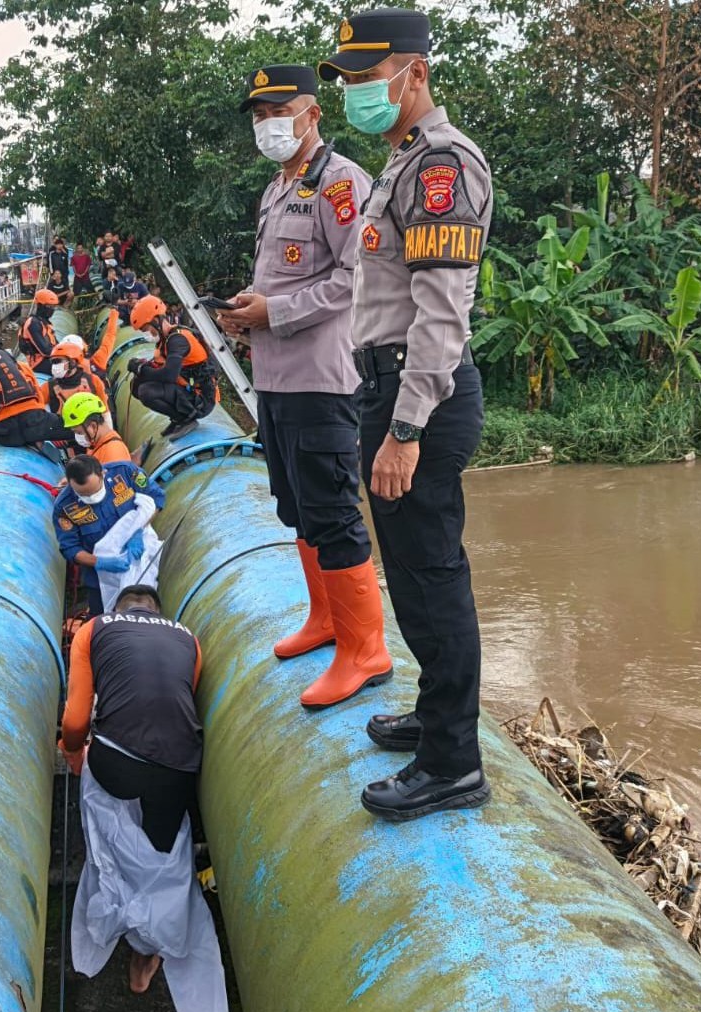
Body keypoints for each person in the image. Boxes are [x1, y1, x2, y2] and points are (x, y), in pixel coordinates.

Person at [319, 8, 492, 819]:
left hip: (418, 395)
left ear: (414, 73)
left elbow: (441, 313)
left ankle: (453, 763)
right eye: (347, 79)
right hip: (385, 387)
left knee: (431, 576)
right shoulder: (402, 163)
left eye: (366, 76)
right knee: (415, 573)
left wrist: (406, 428)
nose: (354, 91)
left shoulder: (440, 166)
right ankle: (434, 715)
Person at [217, 63, 390, 710]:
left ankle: (365, 649)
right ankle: (325, 620)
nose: (268, 125)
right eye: (259, 116)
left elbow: (357, 277)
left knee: (332, 511)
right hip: (276, 378)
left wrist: (277, 312)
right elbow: (283, 279)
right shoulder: (277, 187)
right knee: (297, 506)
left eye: (279, 112)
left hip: (321, 378)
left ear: (312, 113)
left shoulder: (341, 183)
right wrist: (247, 310)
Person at [61, 585, 229, 1011]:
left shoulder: (95, 629)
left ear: (119, 608)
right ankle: (144, 958)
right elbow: (177, 703)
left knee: (113, 848)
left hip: (116, 763)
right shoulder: (188, 638)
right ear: (158, 612)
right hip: (178, 768)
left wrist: (72, 752)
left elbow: (76, 718)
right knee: (162, 859)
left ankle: (113, 912)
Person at [52, 455, 165, 617]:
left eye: (94, 491)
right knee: (101, 618)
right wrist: (100, 562)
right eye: (83, 494)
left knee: (146, 610)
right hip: (99, 578)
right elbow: (70, 548)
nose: (91, 498)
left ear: (103, 474)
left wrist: (139, 530)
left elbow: (156, 498)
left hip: (139, 558)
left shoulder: (126, 473)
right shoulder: (64, 507)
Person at [126, 295, 219, 440]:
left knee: (146, 391)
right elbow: (160, 367)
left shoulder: (177, 340)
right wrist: (142, 366)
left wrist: (142, 370)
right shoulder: (165, 341)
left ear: (156, 320)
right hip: (188, 390)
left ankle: (185, 419)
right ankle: (177, 418)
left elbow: (169, 375)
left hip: (202, 399)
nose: (146, 334)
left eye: (146, 329)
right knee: (136, 385)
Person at [0, 334, 73, 448]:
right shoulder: (22, 366)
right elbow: (39, 397)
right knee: (72, 428)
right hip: (36, 423)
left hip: (8, 434)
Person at [62, 392, 132, 464]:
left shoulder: (112, 456)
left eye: (79, 432)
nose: (77, 437)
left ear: (93, 426)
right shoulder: (96, 443)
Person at [43, 339, 108, 414]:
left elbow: (105, 410)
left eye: (58, 361)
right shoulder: (49, 386)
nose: (55, 366)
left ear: (73, 362)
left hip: (92, 420)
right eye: (53, 362)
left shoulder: (93, 381)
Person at [19, 288, 60, 369]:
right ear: (40, 306)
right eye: (49, 306)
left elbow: (55, 343)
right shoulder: (33, 324)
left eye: (53, 307)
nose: (52, 309)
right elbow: (45, 351)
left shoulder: (44, 322)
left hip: (48, 358)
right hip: (38, 362)